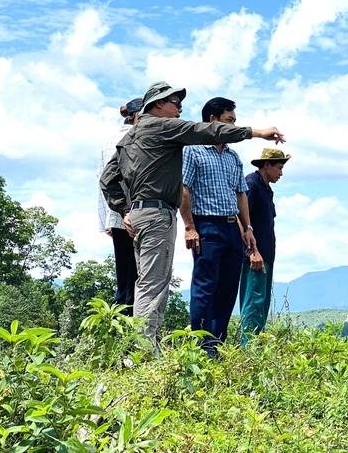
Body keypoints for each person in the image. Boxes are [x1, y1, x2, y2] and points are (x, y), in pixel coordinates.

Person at [100, 81, 285, 354]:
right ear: (159, 104)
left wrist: (126, 209)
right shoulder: (163, 127)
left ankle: (163, 346)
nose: (179, 110)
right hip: (160, 215)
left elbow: (108, 179)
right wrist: (257, 132)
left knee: (147, 283)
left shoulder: (130, 136)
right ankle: (145, 352)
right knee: (155, 286)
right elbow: (202, 131)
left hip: (142, 215)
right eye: (175, 103)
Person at [180, 97, 257, 355]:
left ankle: (218, 345)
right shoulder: (193, 151)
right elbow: (184, 190)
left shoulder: (234, 157)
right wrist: (190, 227)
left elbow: (241, 194)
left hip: (231, 228)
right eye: (229, 121)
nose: (234, 126)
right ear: (212, 120)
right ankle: (202, 347)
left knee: (227, 289)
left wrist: (247, 229)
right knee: (204, 288)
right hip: (207, 226)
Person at [239, 147, 290, 344]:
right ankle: (248, 349)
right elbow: (242, 220)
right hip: (256, 256)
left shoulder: (266, 188)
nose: (281, 173)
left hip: (266, 255)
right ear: (266, 165)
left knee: (261, 305)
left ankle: (256, 348)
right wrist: (253, 251)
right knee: (253, 303)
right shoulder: (251, 184)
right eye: (278, 167)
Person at [97, 97, 141, 315]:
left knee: (123, 276)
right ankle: (130, 330)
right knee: (137, 276)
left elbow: (102, 180)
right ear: (136, 116)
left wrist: (105, 218)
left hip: (115, 215)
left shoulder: (108, 140)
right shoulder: (133, 137)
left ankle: (116, 327)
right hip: (135, 212)